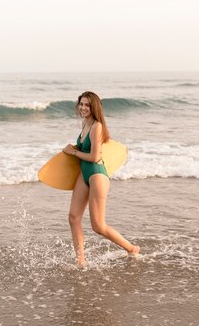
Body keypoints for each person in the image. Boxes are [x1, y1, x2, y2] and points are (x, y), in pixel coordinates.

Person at [62, 91, 140, 267]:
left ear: (94, 107)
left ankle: (131, 248)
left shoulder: (97, 126)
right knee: (73, 217)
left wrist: (73, 152)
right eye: (81, 104)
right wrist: (74, 148)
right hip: (84, 174)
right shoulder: (85, 124)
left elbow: (95, 157)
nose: (83, 107)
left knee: (98, 226)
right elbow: (88, 147)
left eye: (87, 105)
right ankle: (80, 260)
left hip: (97, 175)